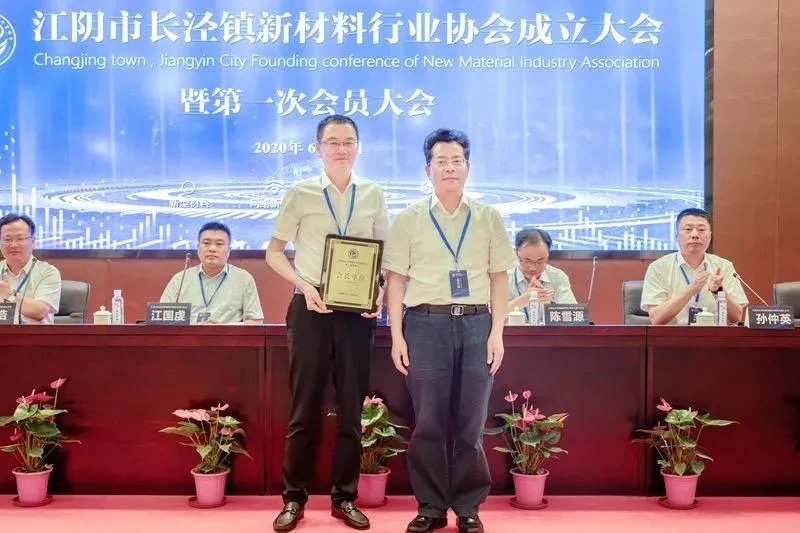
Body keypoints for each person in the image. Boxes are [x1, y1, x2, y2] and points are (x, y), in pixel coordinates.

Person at [384, 128, 516, 533]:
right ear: (428, 170)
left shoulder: (488, 217)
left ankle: (468, 506)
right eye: (441, 161)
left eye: (456, 161)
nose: (449, 168)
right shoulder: (409, 219)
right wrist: (397, 336)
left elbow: (498, 278)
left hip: (476, 324)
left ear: (468, 168)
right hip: (425, 324)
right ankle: (431, 506)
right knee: (428, 422)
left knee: (470, 421)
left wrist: (497, 333)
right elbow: (396, 280)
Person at [266, 115, 388, 532]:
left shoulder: (371, 194)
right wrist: (303, 284)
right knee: (304, 408)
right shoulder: (300, 193)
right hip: (310, 308)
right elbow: (273, 252)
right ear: (317, 148)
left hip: (357, 313)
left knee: (352, 410)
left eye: (348, 141)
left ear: (358, 147)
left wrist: (379, 290)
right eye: (332, 141)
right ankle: (293, 499)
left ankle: (344, 498)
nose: (341, 148)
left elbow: (383, 255)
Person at [641, 208, 747, 325]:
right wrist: (691, 288)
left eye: (701, 230)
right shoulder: (658, 268)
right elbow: (656, 319)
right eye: (688, 229)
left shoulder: (724, 266)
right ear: (676, 236)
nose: (695, 235)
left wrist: (719, 292)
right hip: (673, 336)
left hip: (713, 335)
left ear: (710, 236)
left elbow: (737, 317)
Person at [160, 222, 263, 324]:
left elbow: (256, 321)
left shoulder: (243, 279)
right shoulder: (180, 279)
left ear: (229, 250)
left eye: (219, 244)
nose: (212, 249)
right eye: (206, 243)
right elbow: (161, 320)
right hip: (188, 335)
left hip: (228, 335)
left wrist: (224, 329)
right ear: (198, 248)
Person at [0, 213, 61, 324]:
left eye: (20, 239)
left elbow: (40, 311)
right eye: (7, 239)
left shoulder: (48, 272)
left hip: (35, 335)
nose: (13, 245)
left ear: (33, 241)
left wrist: (9, 295)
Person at [507, 228, 577, 320]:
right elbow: (491, 316)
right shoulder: (504, 277)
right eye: (527, 260)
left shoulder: (558, 277)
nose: (533, 268)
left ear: (548, 255)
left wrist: (550, 306)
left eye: (540, 261)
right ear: (516, 253)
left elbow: (574, 318)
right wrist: (522, 300)